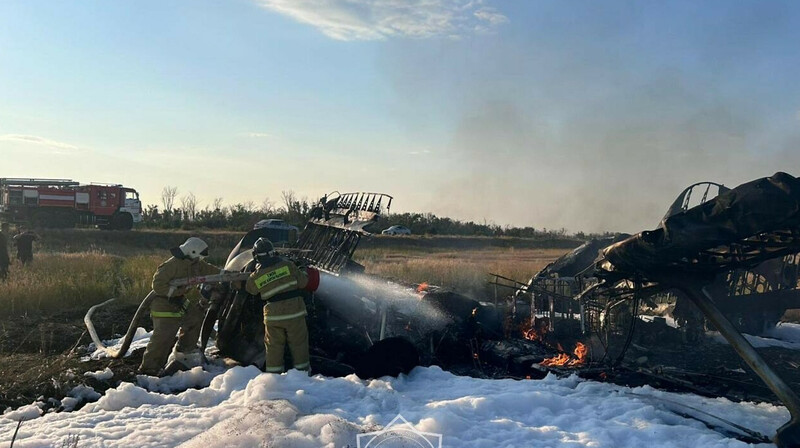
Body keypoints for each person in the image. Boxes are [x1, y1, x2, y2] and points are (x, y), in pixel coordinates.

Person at [138, 237, 221, 376]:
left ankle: (185, 350)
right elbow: (158, 285)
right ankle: (149, 368)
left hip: (179, 300)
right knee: (163, 337)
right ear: (192, 252)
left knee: (194, 318)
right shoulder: (171, 266)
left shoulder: (194, 263)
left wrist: (229, 275)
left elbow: (210, 269)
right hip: (164, 303)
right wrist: (176, 292)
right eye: (199, 256)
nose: (200, 259)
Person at [246, 238, 320, 373]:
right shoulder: (288, 265)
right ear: (273, 252)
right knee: (299, 345)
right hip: (295, 313)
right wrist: (303, 270)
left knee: (273, 348)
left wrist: (255, 271)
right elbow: (303, 283)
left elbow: (250, 289)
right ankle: (302, 374)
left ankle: (274, 377)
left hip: (273, 317)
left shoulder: (256, 275)